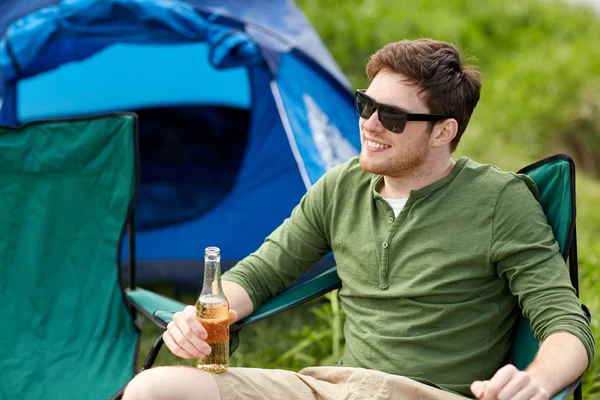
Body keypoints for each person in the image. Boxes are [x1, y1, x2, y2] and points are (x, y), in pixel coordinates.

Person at [122, 39, 595, 400]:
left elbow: (567, 327)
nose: (368, 124)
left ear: (443, 132)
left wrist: (533, 382)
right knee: (155, 389)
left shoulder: (500, 202)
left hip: (426, 394)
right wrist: (205, 315)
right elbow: (263, 271)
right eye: (365, 105)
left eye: (391, 116)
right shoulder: (340, 186)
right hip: (329, 387)